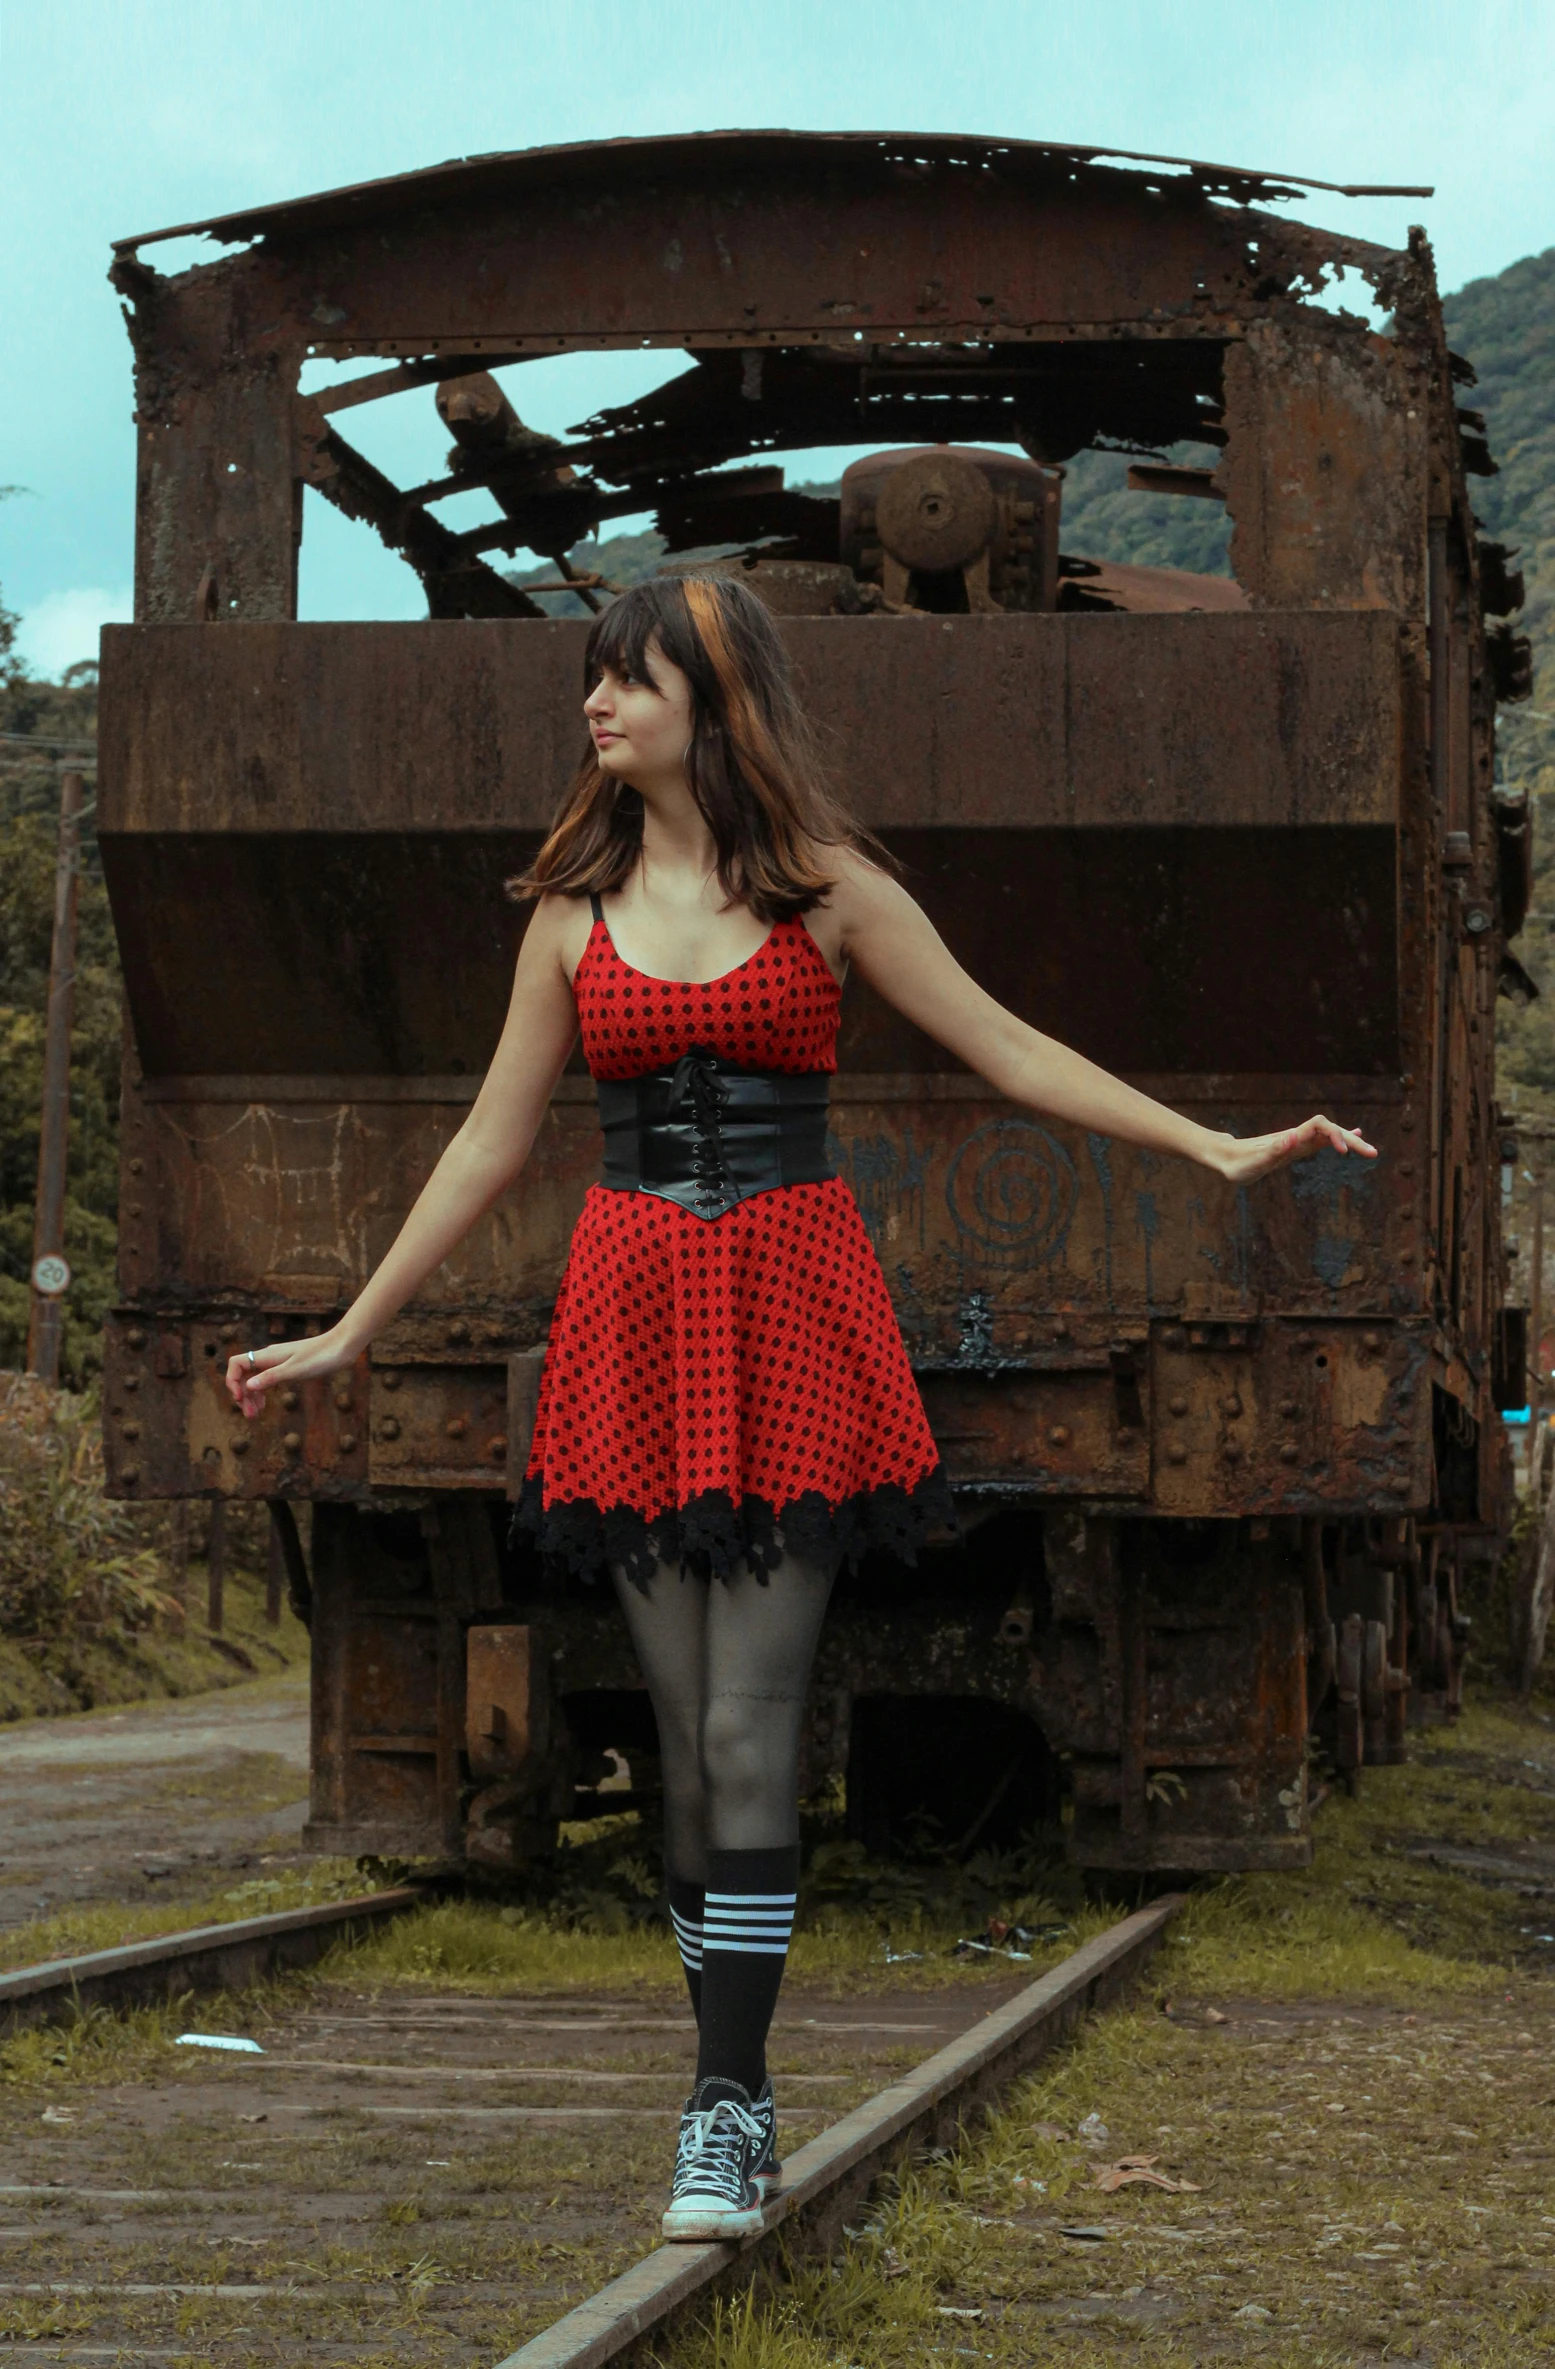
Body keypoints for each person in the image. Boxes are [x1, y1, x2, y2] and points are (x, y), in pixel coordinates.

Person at [225, 574, 1374, 2240]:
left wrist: (1208, 1147)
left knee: (755, 1728)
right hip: (628, 1318)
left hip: (795, 1313)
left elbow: (1005, 1047)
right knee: (692, 1742)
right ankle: (730, 2085)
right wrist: (347, 1334)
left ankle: (723, 2102)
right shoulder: (567, 910)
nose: (597, 707)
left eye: (628, 682)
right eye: (593, 682)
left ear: (715, 700)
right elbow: (488, 1145)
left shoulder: (832, 892)